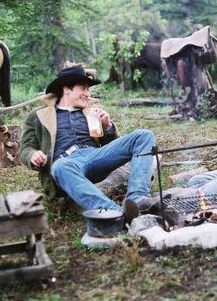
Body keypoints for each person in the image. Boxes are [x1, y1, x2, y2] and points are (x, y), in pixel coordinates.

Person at [20, 66, 159, 221]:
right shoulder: (38, 115)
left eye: (88, 89)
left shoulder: (91, 111)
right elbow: (25, 148)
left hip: (94, 155)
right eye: (83, 88)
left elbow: (112, 146)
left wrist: (107, 126)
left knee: (144, 136)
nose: (87, 94)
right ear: (67, 89)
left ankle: (138, 199)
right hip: (66, 162)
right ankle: (116, 214)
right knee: (60, 167)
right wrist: (33, 155)